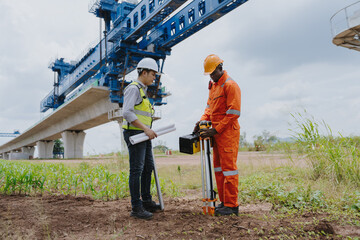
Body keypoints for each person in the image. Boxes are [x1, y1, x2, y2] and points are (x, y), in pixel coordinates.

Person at [194, 54, 241, 216]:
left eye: (213, 73)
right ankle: (224, 203)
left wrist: (215, 130)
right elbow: (209, 110)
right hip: (217, 136)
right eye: (210, 74)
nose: (212, 77)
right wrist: (201, 122)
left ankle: (232, 205)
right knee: (219, 170)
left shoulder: (230, 85)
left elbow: (233, 114)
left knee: (229, 171)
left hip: (227, 135)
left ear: (220, 68)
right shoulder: (214, 87)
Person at [122, 57, 161, 220]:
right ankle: (136, 207)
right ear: (143, 72)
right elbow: (127, 112)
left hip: (143, 134)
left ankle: (146, 201)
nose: (154, 77)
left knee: (147, 167)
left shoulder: (142, 90)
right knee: (137, 170)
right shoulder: (133, 88)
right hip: (135, 134)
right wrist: (146, 128)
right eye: (153, 74)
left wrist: (147, 130)